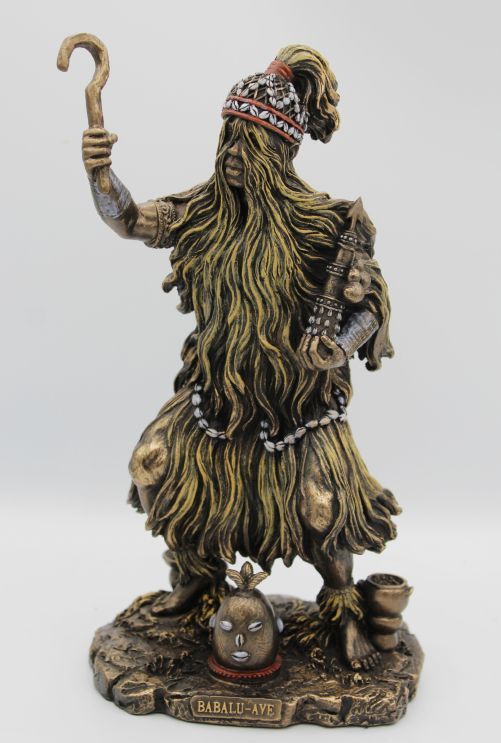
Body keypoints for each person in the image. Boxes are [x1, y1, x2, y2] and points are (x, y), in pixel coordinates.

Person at [82, 45, 400, 671]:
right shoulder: (203, 210)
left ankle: (342, 609)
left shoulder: (323, 224)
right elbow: (130, 219)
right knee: (154, 466)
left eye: (247, 145)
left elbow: (370, 305)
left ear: (278, 153)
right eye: (228, 138)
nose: (232, 155)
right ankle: (196, 580)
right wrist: (100, 175)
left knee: (321, 509)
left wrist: (339, 344)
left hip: (297, 410)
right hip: (217, 400)